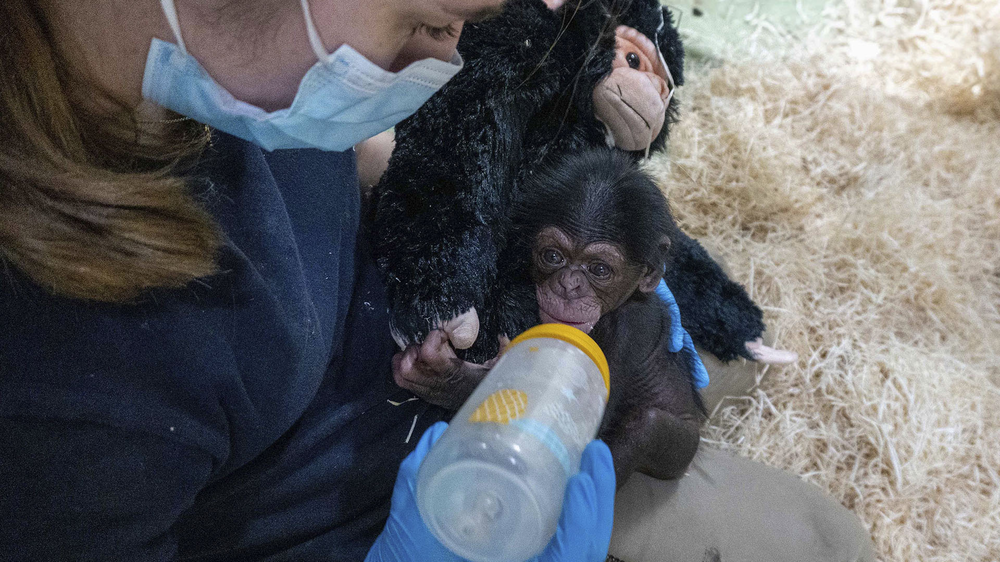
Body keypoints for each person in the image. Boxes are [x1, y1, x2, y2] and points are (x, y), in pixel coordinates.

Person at [0, 0, 874, 561]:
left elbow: (358, 152)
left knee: (727, 363)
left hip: (444, 322)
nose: (446, 58)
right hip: (423, 502)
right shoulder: (66, 394)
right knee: (824, 541)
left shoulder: (203, 73)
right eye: (429, 23)